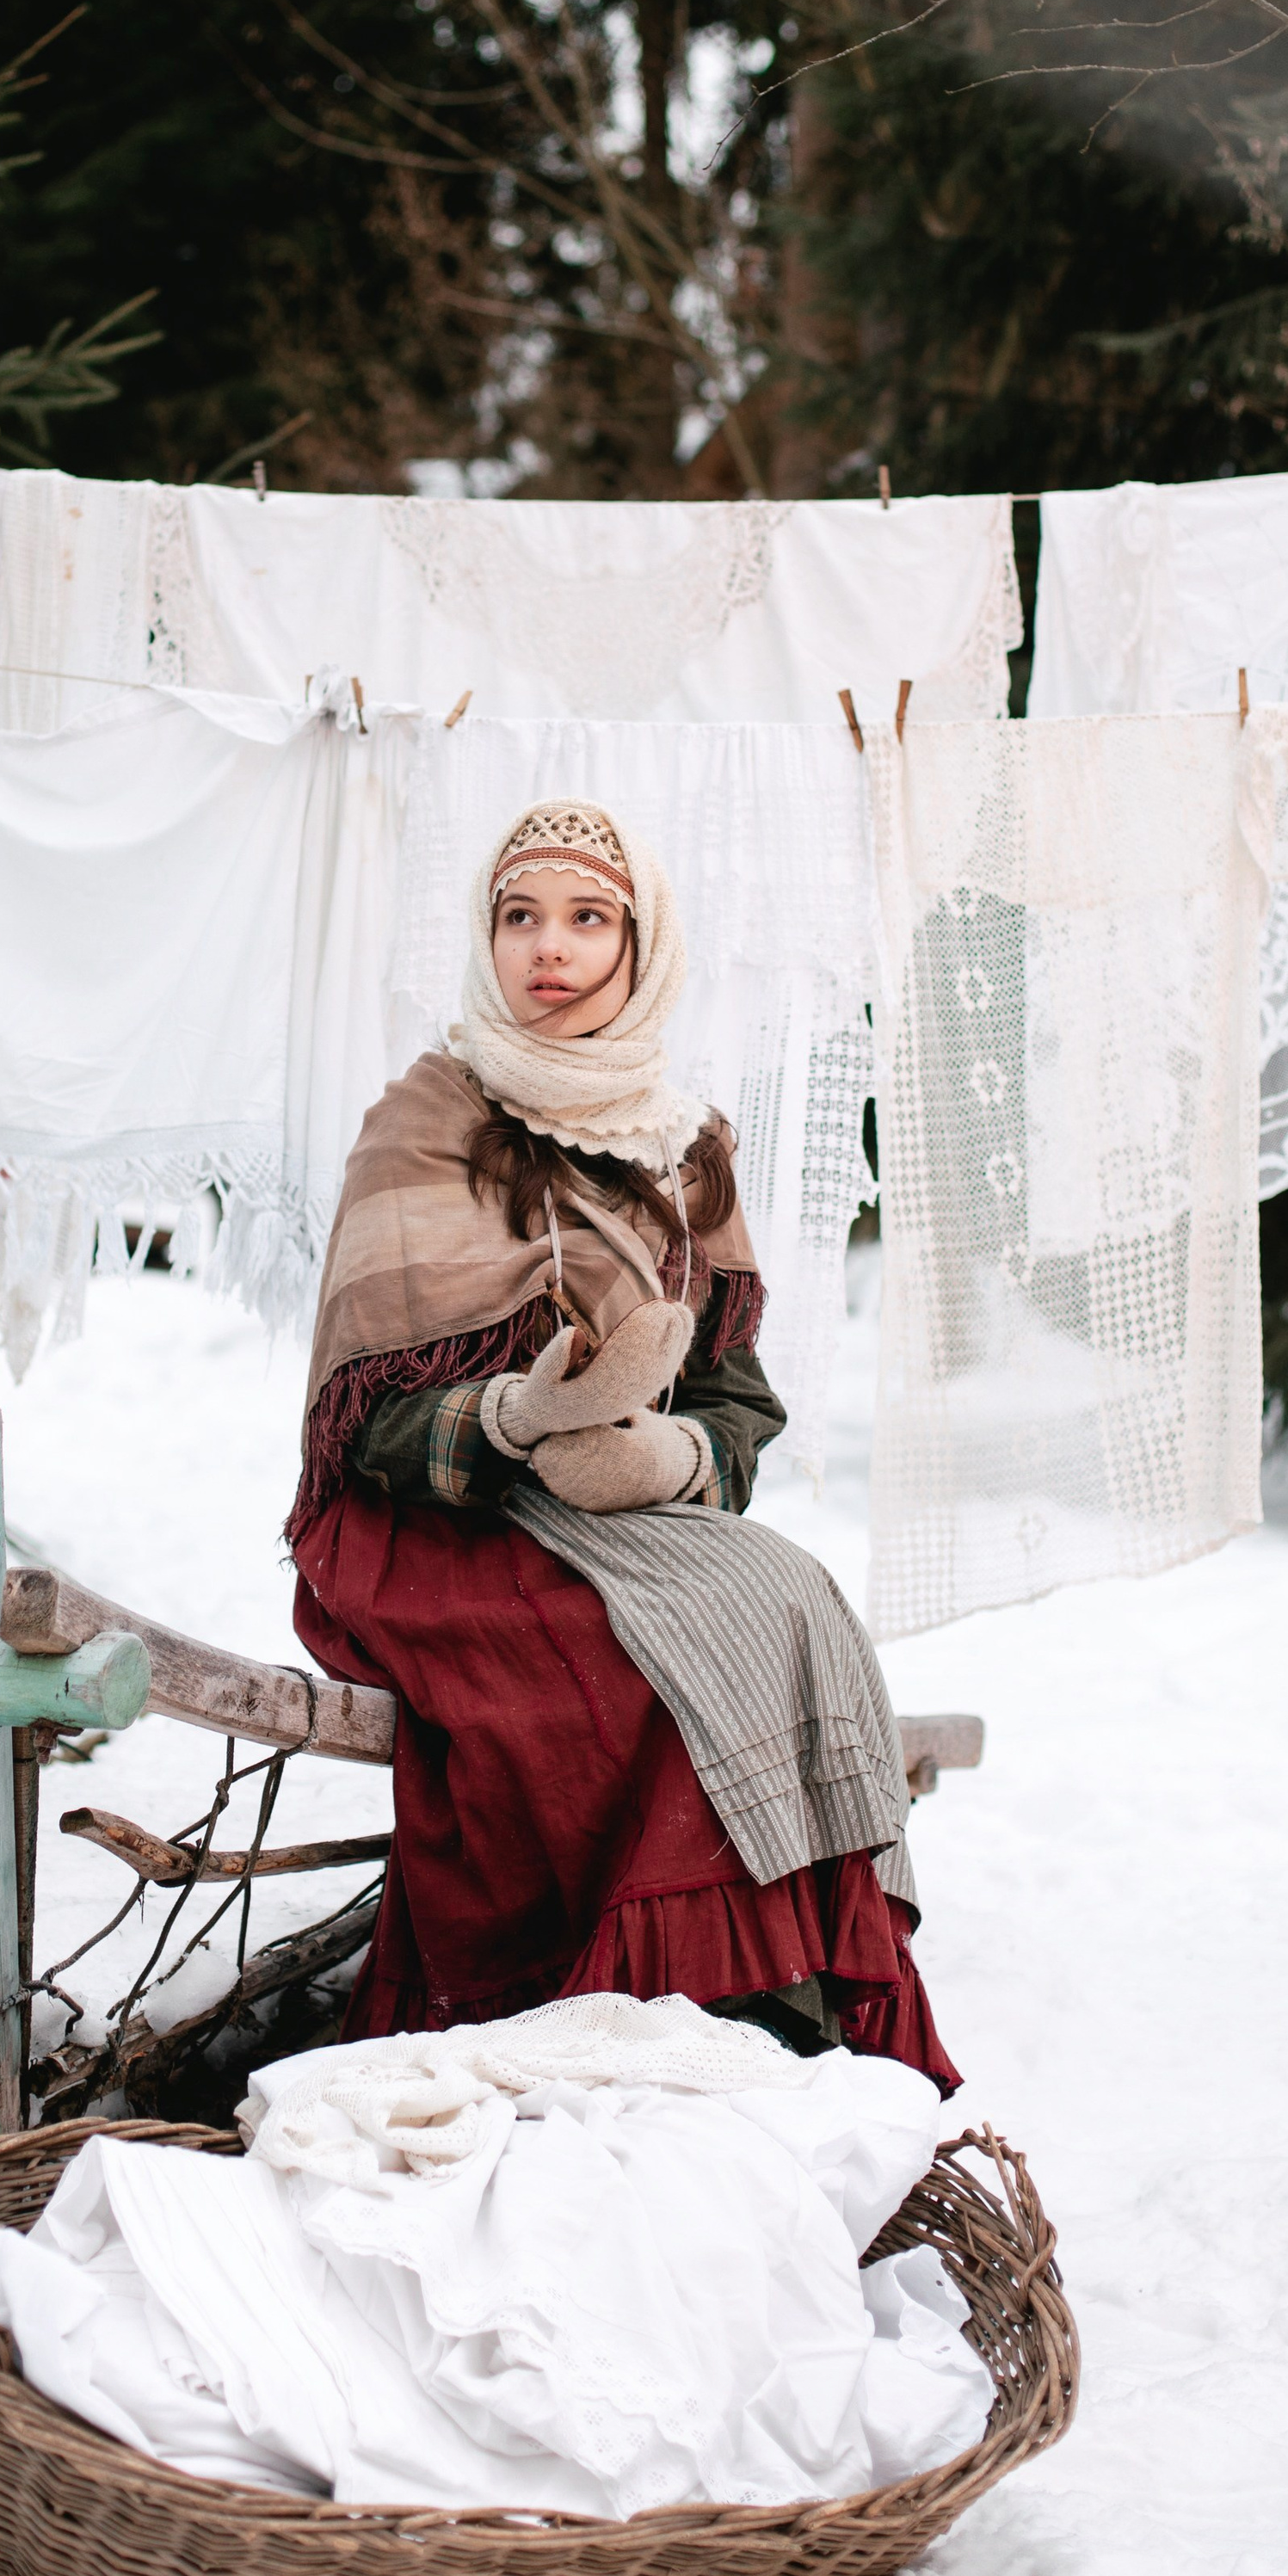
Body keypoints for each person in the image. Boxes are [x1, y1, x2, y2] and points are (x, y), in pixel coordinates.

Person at [287, 798, 958, 2086]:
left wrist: (675, 1463)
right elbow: (363, 1422)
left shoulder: (681, 1143)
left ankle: (776, 2013)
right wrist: (517, 1420)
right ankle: (609, 2017)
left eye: (589, 920)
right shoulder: (425, 1119)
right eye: (521, 918)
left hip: (620, 1515)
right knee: (622, 1669)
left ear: (639, 949)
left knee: (789, 1598)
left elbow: (733, 1399)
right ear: (487, 940)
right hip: (433, 1523)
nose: (551, 949)